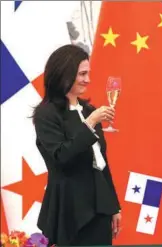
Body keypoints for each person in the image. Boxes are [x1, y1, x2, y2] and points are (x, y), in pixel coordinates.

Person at [32, 44, 122, 246]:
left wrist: (114, 207)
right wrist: (90, 123)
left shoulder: (89, 109)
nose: (88, 80)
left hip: (100, 207)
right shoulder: (46, 114)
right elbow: (61, 157)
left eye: (88, 73)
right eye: (82, 74)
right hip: (69, 209)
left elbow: (102, 163)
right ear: (65, 72)